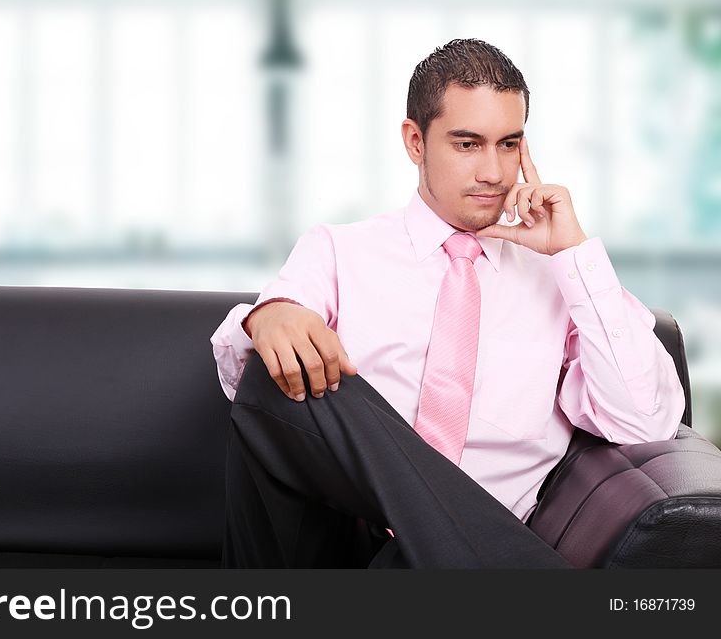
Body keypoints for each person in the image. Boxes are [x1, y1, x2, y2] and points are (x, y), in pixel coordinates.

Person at [209, 38, 686, 568]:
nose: (494, 173)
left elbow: (643, 423)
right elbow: (249, 392)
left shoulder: (560, 280)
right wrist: (272, 315)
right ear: (416, 142)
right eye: (468, 144)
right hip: (342, 539)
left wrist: (574, 257)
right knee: (274, 364)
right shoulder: (340, 250)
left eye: (509, 144)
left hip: (460, 550)